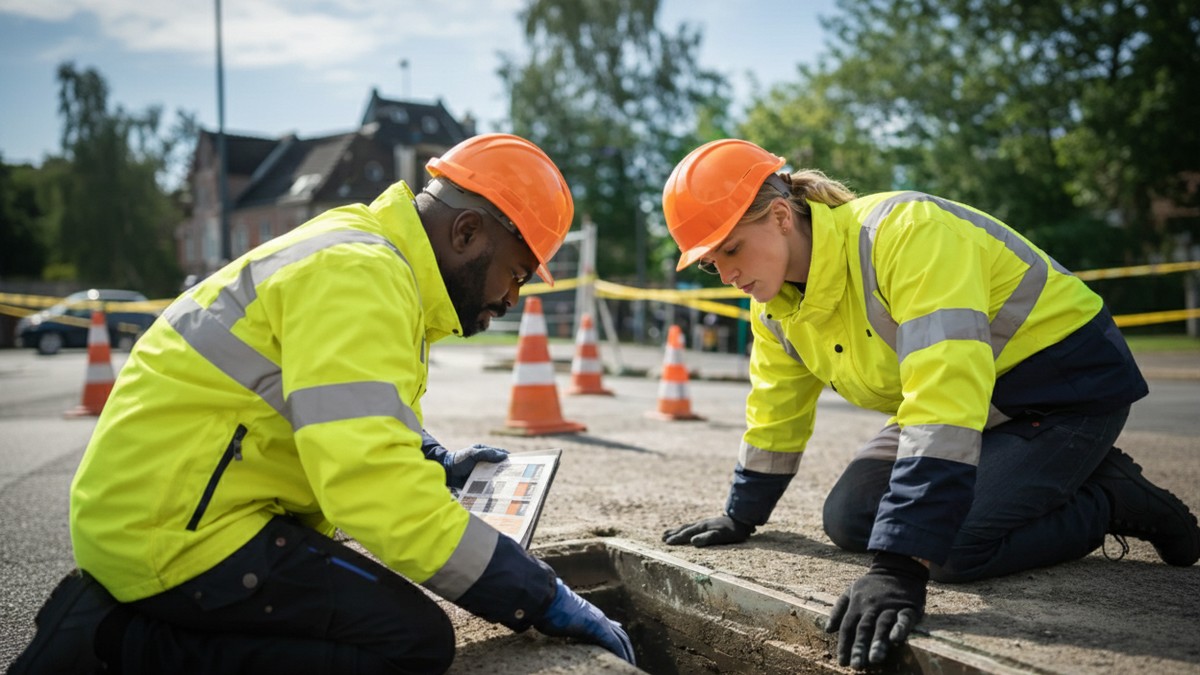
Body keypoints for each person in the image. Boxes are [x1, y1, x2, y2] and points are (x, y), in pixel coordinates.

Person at [10, 133, 635, 674]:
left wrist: (431, 460)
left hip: (167, 510)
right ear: (467, 232)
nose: (512, 298)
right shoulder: (361, 276)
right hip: (171, 533)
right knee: (410, 642)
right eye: (517, 273)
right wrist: (537, 594)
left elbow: (336, 409)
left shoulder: (366, 256)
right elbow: (373, 487)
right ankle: (110, 643)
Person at [659, 138, 1200, 670]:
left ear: (781, 216)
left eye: (731, 249)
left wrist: (899, 568)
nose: (726, 275)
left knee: (948, 547)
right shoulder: (775, 308)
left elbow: (945, 392)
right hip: (975, 404)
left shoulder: (905, 233)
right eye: (710, 263)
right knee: (850, 518)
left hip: (1063, 391)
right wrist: (742, 512)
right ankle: (1061, 477)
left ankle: (1109, 497)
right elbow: (776, 407)